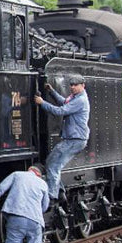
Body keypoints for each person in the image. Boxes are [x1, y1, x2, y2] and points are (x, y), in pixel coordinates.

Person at [35, 74, 90, 203]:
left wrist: (42, 103)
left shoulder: (80, 100)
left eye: (76, 85)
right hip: (74, 139)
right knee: (51, 162)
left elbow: (60, 111)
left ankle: (52, 197)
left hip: (75, 139)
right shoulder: (76, 97)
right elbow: (64, 102)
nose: (73, 87)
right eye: (71, 85)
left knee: (53, 164)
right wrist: (52, 92)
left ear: (83, 85)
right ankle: (60, 192)